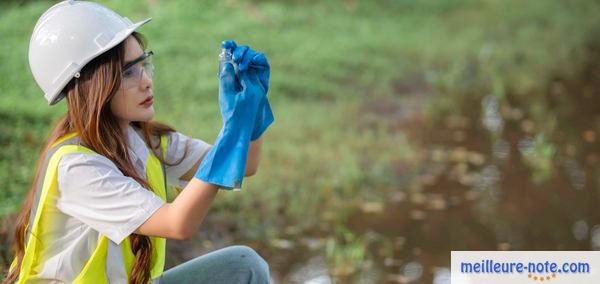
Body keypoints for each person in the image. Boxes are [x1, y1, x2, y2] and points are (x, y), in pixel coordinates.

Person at [2, 0, 274, 283]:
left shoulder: (143, 140)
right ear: (93, 85)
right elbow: (177, 223)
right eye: (128, 72)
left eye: (144, 64)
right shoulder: (77, 167)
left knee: (244, 265)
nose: (146, 81)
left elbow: (245, 166)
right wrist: (232, 131)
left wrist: (251, 113)